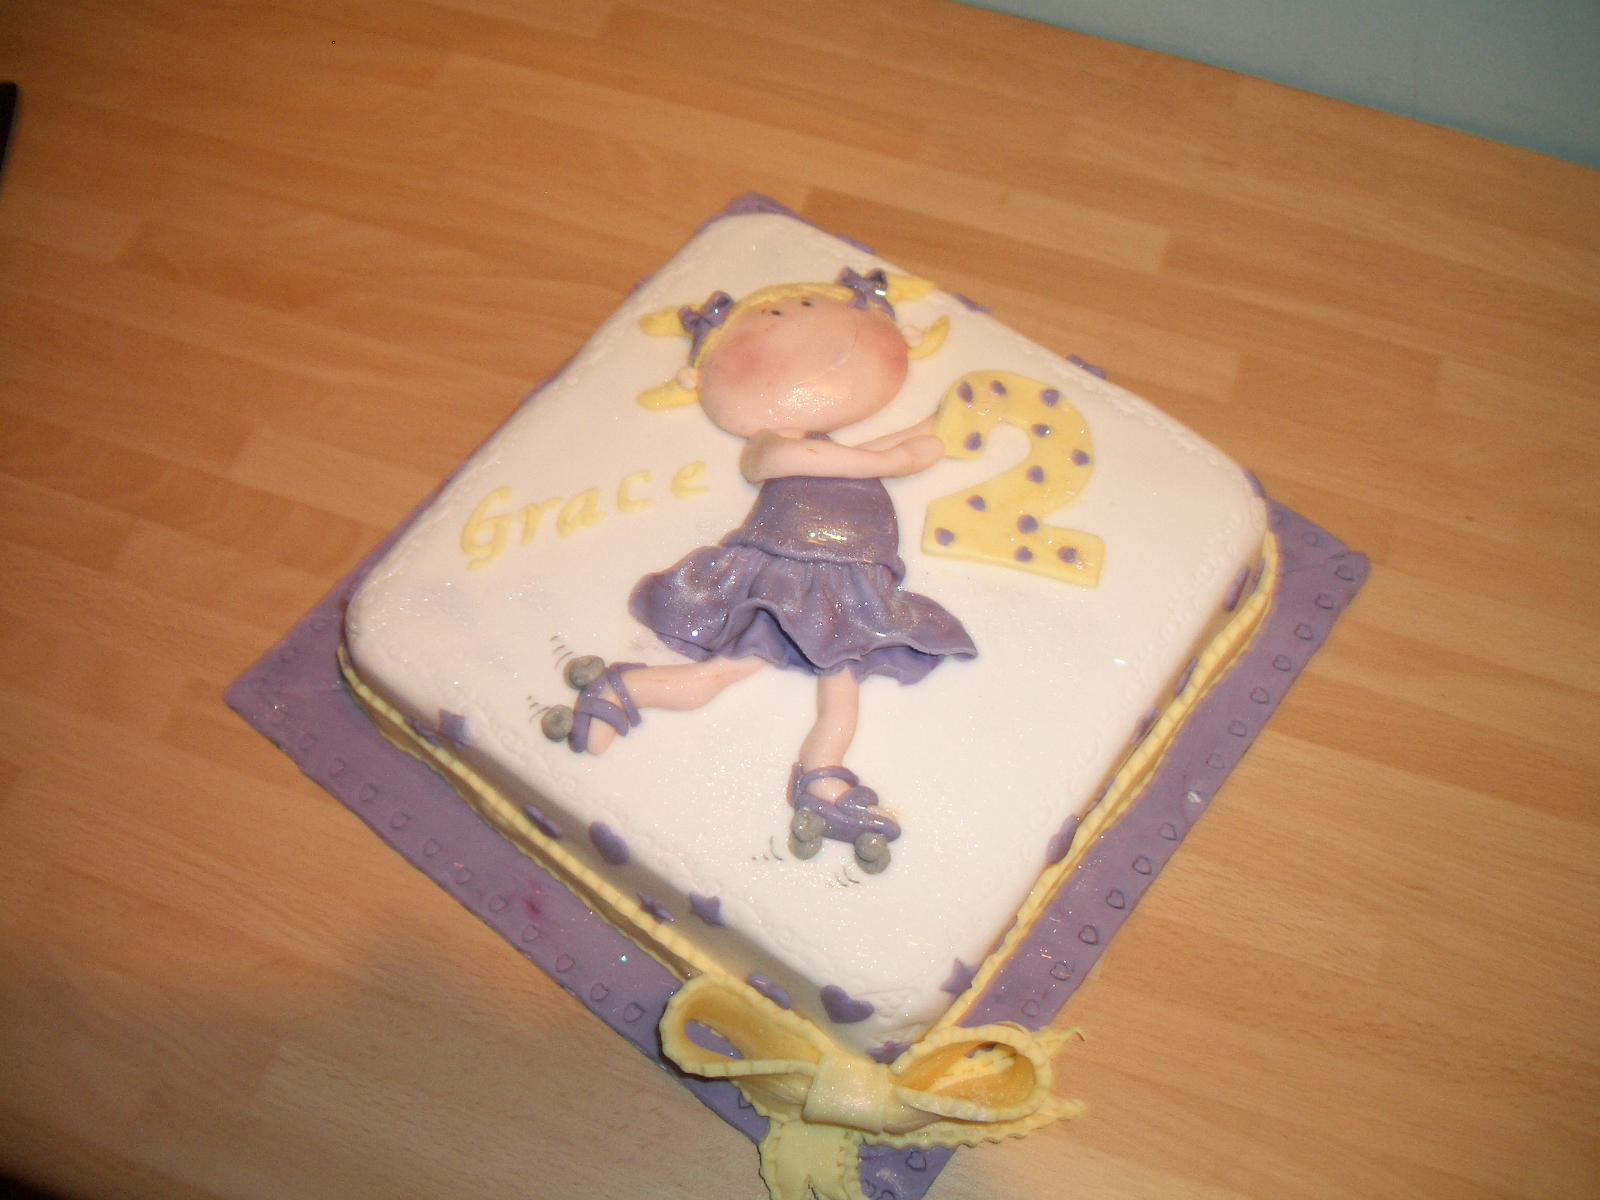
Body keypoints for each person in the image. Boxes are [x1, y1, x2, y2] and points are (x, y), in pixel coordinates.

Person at [552, 269, 974, 872]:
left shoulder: (837, 447)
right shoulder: (768, 445)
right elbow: (817, 458)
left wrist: (939, 427)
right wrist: (905, 456)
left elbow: (871, 452)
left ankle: (822, 780)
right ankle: (624, 691)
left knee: (838, 694)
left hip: (849, 580)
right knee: (729, 675)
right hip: (789, 574)